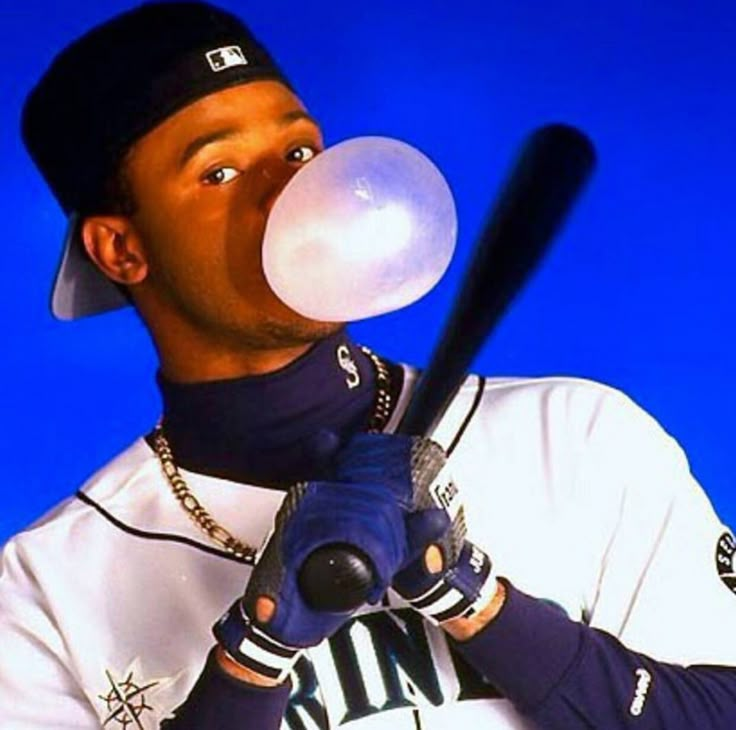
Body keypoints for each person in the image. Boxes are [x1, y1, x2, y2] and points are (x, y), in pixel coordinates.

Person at [3, 1, 735, 728]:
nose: (292, 193)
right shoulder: (46, 587)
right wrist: (254, 652)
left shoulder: (577, 436)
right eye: (220, 171)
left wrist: (472, 599)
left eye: (296, 153)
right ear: (122, 250)